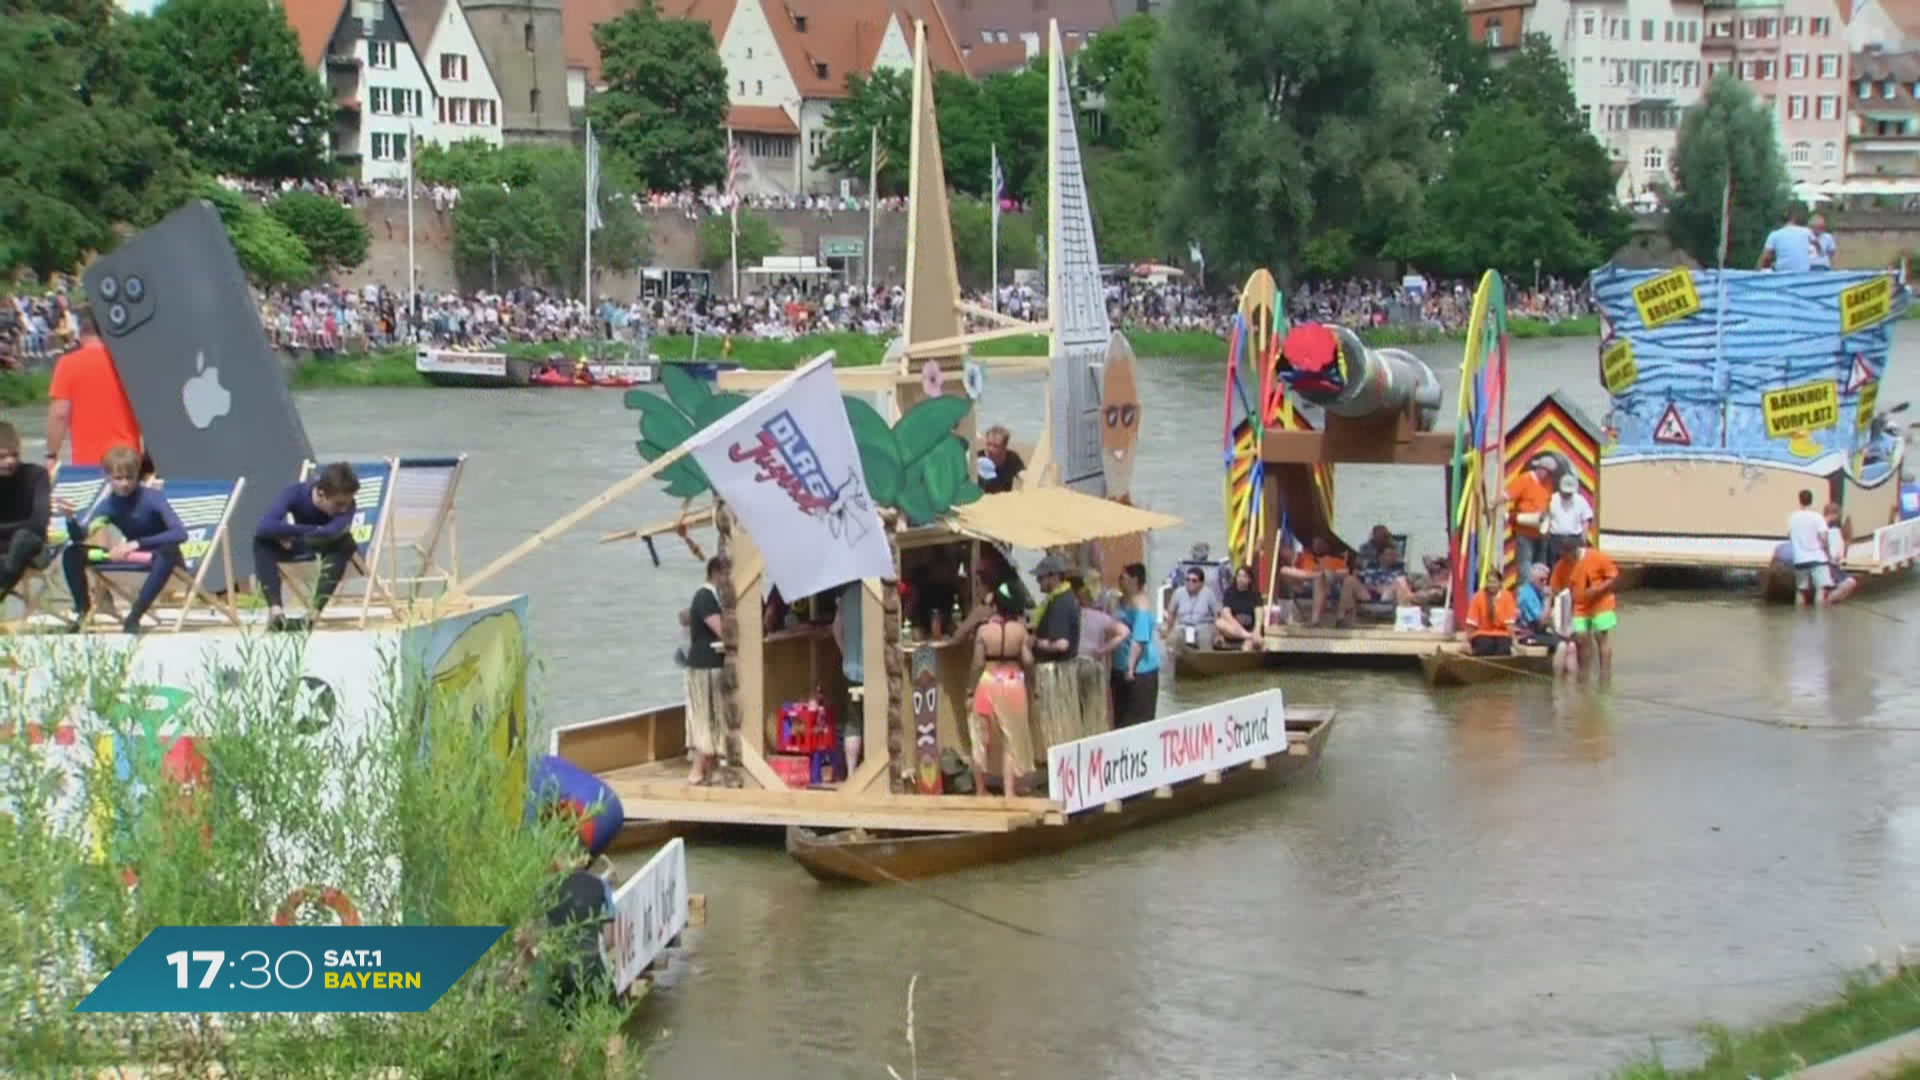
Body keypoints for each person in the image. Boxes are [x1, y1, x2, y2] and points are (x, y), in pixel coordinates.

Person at [59, 445, 185, 635]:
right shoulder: (109, 505)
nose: (124, 484)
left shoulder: (153, 498)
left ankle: (134, 617)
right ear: (108, 478)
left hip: (162, 560)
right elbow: (81, 536)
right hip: (133, 558)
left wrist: (137, 543)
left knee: (168, 550)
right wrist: (70, 519)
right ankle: (84, 611)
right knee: (72, 553)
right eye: (118, 479)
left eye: (130, 478)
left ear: (137, 477)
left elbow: (180, 533)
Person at [253, 463, 361, 631]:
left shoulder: (348, 505)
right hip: (305, 549)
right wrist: (304, 532)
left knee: (343, 542)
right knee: (262, 541)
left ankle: (312, 616)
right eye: (338, 504)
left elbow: (331, 532)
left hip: (331, 553)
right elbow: (264, 526)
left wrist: (290, 535)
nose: (344, 509)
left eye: (347, 503)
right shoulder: (296, 493)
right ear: (321, 493)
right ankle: (276, 613)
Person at [44, 307, 143, 472]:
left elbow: (59, 415)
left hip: (88, 462)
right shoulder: (129, 362)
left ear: (81, 332)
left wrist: (51, 455)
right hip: (129, 459)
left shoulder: (68, 364)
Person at [968, 583, 1033, 797]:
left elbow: (977, 664)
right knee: (1010, 738)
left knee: (981, 736)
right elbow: (1028, 660)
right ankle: (1009, 791)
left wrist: (970, 689)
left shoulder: (984, 631)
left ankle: (981, 789)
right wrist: (1031, 682)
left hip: (988, 682)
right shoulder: (1020, 631)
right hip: (1013, 683)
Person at [1028, 554, 1083, 750]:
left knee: (1056, 727)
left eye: (1040, 577)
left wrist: (1035, 642)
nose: (1038, 582)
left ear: (1053, 577)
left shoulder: (1060, 603)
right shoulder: (1066, 599)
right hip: (1062, 672)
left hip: (1057, 675)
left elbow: (1061, 645)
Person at [682, 557, 729, 785]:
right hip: (704, 667)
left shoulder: (712, 597)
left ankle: (710, 769)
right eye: (725, 573)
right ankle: (697, 770)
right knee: (705, 717)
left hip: (711, 665)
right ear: (716, 572)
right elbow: (721, 630)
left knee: (713, 717)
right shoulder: (705, 597)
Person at [1549, 537, 1619, 680]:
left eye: (1565, 554)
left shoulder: (1595, 557)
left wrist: (1598, 589)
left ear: (1574, 551)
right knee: (1581, 638)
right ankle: (1585, 673)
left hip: (1601, 603)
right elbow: (1555, 588)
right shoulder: (1561, 566)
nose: (1563, 558)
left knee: (1600, 636)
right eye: (1561, 554)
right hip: (1580, 607)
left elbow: (1613, 576)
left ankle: (1605, 674)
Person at [0, 421, 51, 606]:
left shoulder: (35, 476)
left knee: (23, 538)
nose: (10, 462)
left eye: (14, 455)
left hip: (31, 550)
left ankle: (4, 582)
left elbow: (39, 522)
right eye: (2, 457)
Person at [1071, 571, 1129, 732]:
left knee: (1075, 709)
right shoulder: (1102, 617)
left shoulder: (1073, 615)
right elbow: (1124, 632)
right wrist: (1102, 650)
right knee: (1094, 708)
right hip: (1093, 664)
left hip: (1073, 664)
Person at [1112, 562, 1161, 727]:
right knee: (1120, 720)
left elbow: (1139, 640)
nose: (1119, 581)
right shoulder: (1121, 601)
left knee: (1138, 721)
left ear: (1134, 580)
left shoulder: (1141, 605)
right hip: (1119, 668)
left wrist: (1131, 668)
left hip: (1139, 672)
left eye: (1123, 577)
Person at [1515, 562, 1574, 677]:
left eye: (1546, 580)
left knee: (1571, 645)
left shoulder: (1539, 592)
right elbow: (1541, 621)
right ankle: (1557, 680)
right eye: (1541, 580)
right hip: (1528, 634)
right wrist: (1548, 599)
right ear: (1533, 579)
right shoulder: (1526, 595)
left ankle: (1573, 682)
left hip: (1541, 632)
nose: (1545, 583)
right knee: (1561, 646)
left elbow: (1550, 620)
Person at [830, 579, 864, 772]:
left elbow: (836, 629)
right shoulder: (877, 591)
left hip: (852, 670)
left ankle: (851, 772)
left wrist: (846, 653)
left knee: (853, 721)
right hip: (875, 671)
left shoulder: (846, 596)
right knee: (877, 717)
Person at [1503, 458, 1554, 575]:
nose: (1549, 476)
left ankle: (1537, 592)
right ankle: (1524, 591)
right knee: (1525, 567)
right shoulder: (1525, 480)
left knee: (1541, 569)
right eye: (1548, 472)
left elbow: (1548, 505)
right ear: (1541, 469)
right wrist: (1495, 505)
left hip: (1541, 533)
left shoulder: (1548, 484)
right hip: (1524, 533)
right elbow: (1508, 496)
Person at [1785, 488, 1832, 607]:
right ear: (1812, 500)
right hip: (1818, 558)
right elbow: (1824, 538)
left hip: (1800, 559)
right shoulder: (1817, 517)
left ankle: (1799, 618)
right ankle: (1819, 618)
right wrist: (1828, 554)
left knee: (1801, 590)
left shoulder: (1793, 518)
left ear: (1799, 500)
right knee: (1821, 589)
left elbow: (1790, 535)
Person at [1164, 563, 1222, 650]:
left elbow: (1217, 615)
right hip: (1183, 626)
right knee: (1173, 639)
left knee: (1205, 640)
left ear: (1201, 583)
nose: (1190, 583)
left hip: (1203, 626)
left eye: (1194, 580)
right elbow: (1171, 613)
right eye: (1187, 580)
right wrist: (1168, 630)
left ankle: (1205, 663)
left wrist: (1218, 634)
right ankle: (1176, 663)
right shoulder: (1178, 592)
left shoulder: (1209, 593)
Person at [1543, 472, 1595, 567]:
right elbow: (1546, 518)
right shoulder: (1552, 499)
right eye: (1565, 492)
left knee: (1575, 567)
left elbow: (1586, 519)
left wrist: (1584, 536)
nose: (1567, 495)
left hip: (1574, 538)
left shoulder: (1580, 500)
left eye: (1569, 493)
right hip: (1556, 538)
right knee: (1555, 567)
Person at [1463, 574, 1518, 657]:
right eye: (1489, 582)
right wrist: (1467, 641)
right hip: (1482, 633)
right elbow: (1472, 622)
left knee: (1503, 650)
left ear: (1500, 583)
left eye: (1494, 582)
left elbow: (1509, 624)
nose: (1491, 585)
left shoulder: (1507, 597)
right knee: (1484, 647)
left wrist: (1514, 641)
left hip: (1502, 634)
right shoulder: (1478, 596)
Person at [1214, 564, 1264, 652]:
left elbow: (1259, 617)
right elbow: (1227, 615)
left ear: (1249, 579)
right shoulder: (1229, 593)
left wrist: (1256, 631)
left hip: (1249, 628)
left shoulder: (1255, 595)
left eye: (1244, 576)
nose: (1241, 579)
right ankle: (1249, 636)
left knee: (1247, 648)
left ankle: (1250, 638)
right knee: (1219, 622)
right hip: (1233, 630)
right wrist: (1242, 632)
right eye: (1239, 576)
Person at [1823, 502, 1859, 604]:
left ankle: (1830, 597)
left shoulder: (1835, 532)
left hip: (1834, 565)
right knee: (1850, 582)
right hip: (1831, 565)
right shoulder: (1832, 532)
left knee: (1849, 582)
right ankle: (1829, 598)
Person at [1759, 207, 1815, 272]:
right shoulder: (1806, 231)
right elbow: (1816, 247)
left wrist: (1759, 270)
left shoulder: (1774, 235)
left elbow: (1766, 258)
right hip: (1804, 272)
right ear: (1793, 218)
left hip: (1783, 272)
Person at [976, 425, 1025, 494]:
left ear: (1004, 447)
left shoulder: (1012, 458)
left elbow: (1023, 475)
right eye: (988, 444)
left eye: (995, 446)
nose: (990, 449)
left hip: (1004, 501)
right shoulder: (977, 458)